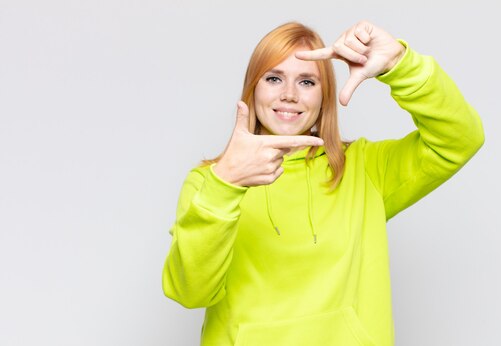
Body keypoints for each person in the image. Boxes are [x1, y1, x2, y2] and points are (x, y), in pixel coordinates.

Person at [162, 20, 484, 346]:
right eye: (274, 78)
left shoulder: (364, 169)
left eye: (306, 81)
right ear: (253, 89)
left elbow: (460, 139)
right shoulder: (209, 182)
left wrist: (400, 64)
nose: (289, 95)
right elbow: (190, 292)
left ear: (324, 95)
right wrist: (226, 184)